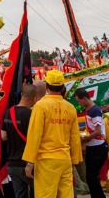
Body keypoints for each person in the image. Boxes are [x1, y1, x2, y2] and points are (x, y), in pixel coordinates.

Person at [21, 70, 81, 198]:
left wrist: (29, 162)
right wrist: (75, 160)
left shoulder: (41, 106)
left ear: (47, 87)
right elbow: (75, 137)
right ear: (63, 87)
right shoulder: (70, 107)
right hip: (65, 160)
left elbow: (34, 135)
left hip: (46, 161)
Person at [0, 83, 38, 198]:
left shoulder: (8, 112)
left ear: (22, 94)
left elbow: (3, 136)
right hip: (27, 164)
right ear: (35, 98)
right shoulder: (31, 114)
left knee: (19, 195)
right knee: (38, 192)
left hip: (12, 164)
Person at [74, 88, 108, 198]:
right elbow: (91, 127)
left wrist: (85, 139)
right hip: (93, 146)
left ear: (84, 98)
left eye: (79, 101)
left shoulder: (95, 111)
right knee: (90, 176)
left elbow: (97, 131)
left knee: (91, 176)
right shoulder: (89, 109)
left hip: (98, 147)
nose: (79, 103)